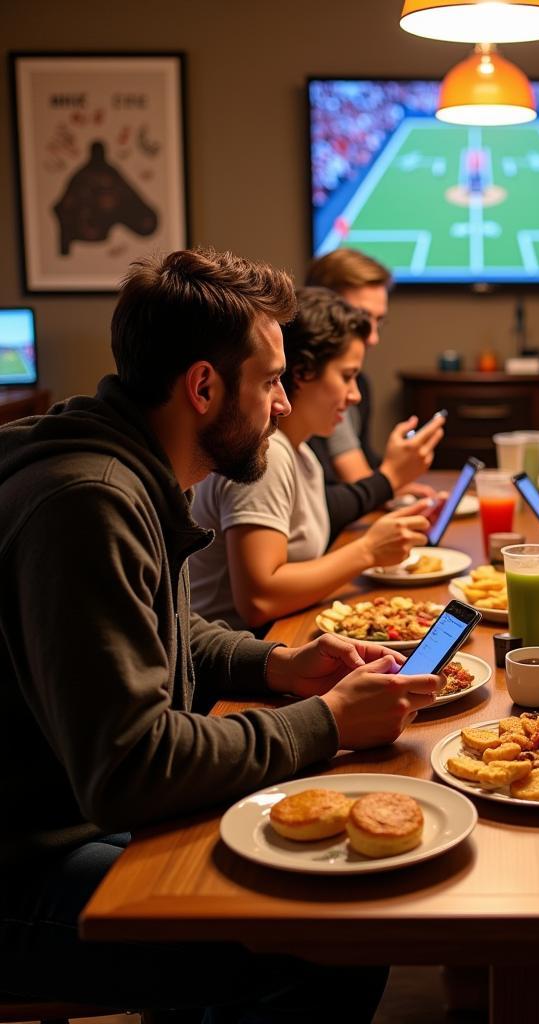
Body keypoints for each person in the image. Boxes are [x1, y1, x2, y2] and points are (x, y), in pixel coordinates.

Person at [0, 248, 440, 1018]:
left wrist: (283, 667)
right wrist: (329, 720)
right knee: (321, 944)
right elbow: (133, 768)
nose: (280, 403)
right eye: (270, 381)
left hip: (72, 818)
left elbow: (170, 629)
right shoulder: (90, 501)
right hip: (22, 869)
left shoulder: (125, 464)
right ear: (203, 387)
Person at [189, 285, 435, 631]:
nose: (355, 395)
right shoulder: (269, 454)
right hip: (239, 662)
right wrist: (368, 551)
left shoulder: (300, 452)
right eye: (347, 377)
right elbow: (260, 600)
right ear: (303, 372)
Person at [305, 246, 443, 512]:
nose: (372, 338)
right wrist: (388, 482)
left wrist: (395, 483)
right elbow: (309, 507)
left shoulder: (361, 387)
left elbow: (361, 470)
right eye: (361, 318)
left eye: (378, 321)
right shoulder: (287, 397)